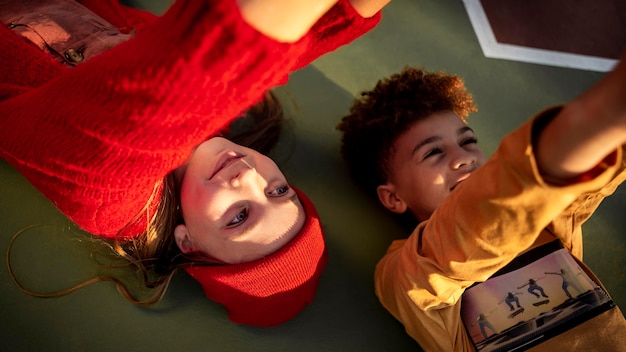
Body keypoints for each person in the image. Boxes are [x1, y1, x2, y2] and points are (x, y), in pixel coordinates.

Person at [0, 0, 389, 327]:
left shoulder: (113, 201)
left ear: (188, 243)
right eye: (279, 190)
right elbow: (329, 23)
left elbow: (192, 76)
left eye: (239, 216)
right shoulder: (210, 134)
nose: (249, 176)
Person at [337, 53, 626, 349]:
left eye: (467, 141)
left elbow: (589, 173)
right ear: (393, 197)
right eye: (433, 152)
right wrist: (599, 116)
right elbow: (471, 228)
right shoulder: (405, 274)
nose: (464, 158)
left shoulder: (547, 221)